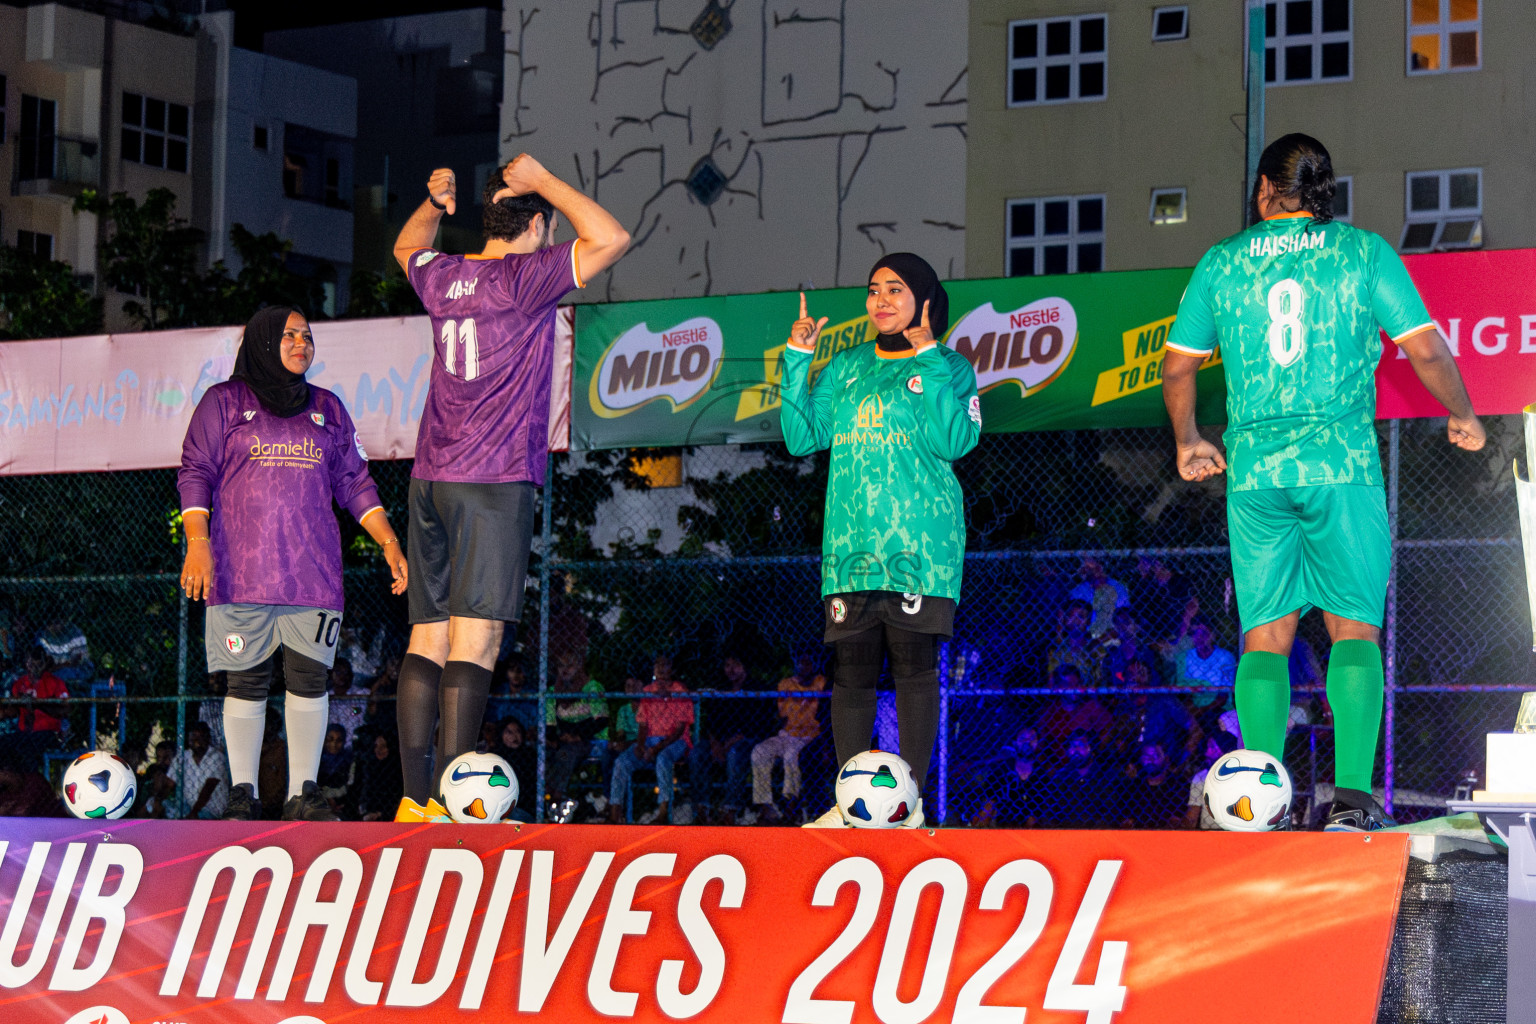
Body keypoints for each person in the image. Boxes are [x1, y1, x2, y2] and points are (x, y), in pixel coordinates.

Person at [1162, 133, 1485, 830]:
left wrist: (1190, 439)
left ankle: (1258, 802)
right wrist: (1464, 413)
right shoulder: (1362, 252)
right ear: (1324, 191)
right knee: (1354, 635)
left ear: (1262, 191)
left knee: (1264, 639)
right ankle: (1352, 805)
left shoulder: (1222, 263)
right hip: (1340, 470)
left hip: (1256, 477)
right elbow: (1424, 347)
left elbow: (1178, 366)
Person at [390, 153, 630, 821]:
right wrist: (544, 181)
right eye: (548, 229)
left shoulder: (446, 274)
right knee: (478, 641)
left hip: (430, 477)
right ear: (535, 224)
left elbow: (407, 246)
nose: (555, 242)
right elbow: (612, 238)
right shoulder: (523, 277)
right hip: (491, 480)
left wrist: (435, 206)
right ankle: (447, 800)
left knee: (427, 638)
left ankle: (414, 801)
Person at [178, 306, 407, 823]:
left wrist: (389, 541)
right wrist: (198, 541)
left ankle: (303, 794)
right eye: (288, 335)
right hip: (239, 572)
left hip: (313, 575)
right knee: (246, 683)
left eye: (307, 335)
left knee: (310, 682)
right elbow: (196, 471)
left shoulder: (328, 408)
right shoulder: (224, 402)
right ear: (261, 341)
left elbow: (354, 481)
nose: (301, 342)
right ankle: (242, 795)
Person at [782, 253, 981, 828]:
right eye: (874, 290)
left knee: (914, 669)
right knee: (852, 671)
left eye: (895, 289)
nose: (881, 300)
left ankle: (908, 806)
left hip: (921, 550)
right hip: (851, 550)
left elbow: (954, 440)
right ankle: (853, 807)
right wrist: (799, 358)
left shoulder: (950, 366)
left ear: (923, 299)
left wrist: (928, 357)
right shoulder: (844, 367)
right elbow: (800, 438)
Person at [606, 656, 694, 824]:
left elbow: (680, 729)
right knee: (621, 762)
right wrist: (640, 745)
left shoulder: (680, 691)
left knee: (663, 759)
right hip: (649, 740)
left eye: (665, 664)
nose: (661, 668)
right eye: (657, 664)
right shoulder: (648, 691)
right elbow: (643, 723)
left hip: (674, 741)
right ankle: (614, 813)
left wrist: (658, 748)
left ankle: (663, 812)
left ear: (672, 669)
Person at [749, 651, 827, 821]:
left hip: (809, 736)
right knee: (759, 751)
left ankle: (792, 804)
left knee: (792, 756)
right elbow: (780, 715)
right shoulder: (785, 684)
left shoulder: (821, 682)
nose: (805, 666)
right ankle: (766, 807)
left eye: (809, 663)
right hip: (786, 734)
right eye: (801, 662)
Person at [544, 651, 609, 807]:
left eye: (570, 665)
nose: (565, 670)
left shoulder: (592, 687)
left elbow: (601, 721)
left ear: (579, 667)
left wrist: (577, 736)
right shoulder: (554, 691)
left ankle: (556, 797)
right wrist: (555, 739)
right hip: (565, 739)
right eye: (561, 665)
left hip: (591, 739)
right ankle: (545, 794)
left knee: (566, 753)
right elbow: (550, 723)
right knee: (547, 751)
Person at [8, 646, 69, 768]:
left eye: (38, 663)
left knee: (28, 747)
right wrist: (18, 701)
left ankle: (32, 781)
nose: (35, 668)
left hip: (49, 733)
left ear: (44, 663)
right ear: (26, 663)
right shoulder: (19, 684)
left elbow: (65, 710)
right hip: (24, 732)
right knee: (8, 743)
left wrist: (38, 704)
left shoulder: (55, 682)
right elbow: (12, 711)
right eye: (31, 663)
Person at [168, 721, 231, 820]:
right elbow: (169, 783)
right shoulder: (182, 757)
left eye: (201, 737)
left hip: (212, 811)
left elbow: (209, 787)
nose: (197, 740)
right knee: (161, 805)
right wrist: (157, 800)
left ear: (208, 739)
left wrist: (194, 813)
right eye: (193, 736)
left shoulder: (217, 757)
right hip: (188, 807)